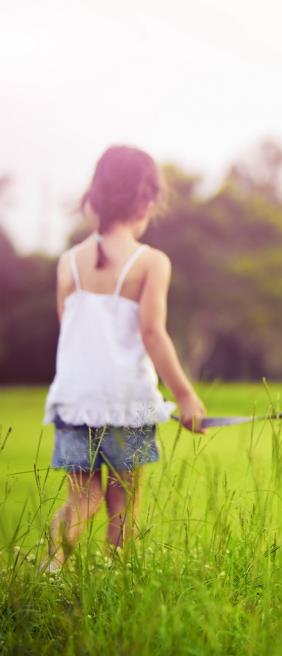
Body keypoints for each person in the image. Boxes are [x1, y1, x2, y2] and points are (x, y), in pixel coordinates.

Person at [42, 145, 206, 570]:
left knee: (83, 497)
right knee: (123, 504)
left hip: (75, 401)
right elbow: (153, 333)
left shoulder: (68, 263)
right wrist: (185, 396)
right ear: (147, 202)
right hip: (126, 403)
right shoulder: (150, 262)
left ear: (93, 200)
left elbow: (69, 330)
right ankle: (118, 577)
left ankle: (50, 568)